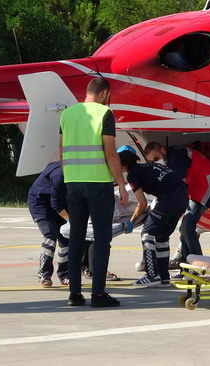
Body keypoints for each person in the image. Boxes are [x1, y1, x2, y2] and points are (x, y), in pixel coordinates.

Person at [59, 76, 128, 308]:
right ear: (105, 94)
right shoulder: (104, 114)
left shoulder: (66, 114)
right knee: (101, 239)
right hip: (98, 184)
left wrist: (68, 179)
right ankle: (98, 294)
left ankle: (74, 294)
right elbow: (110, 152)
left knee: (76, 238)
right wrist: (120, 182)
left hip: (73, 182)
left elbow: (61, 152)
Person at [144, 142, 210, 273]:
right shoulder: (171, 156)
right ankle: (184, 266)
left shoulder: (176, 156)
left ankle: (200, 266)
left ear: (162, 150)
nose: (156, 162)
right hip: (197, 187)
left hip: (206, 183)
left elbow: (180, 184)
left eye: (156, 158)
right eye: (152, 161)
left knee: (187, 227)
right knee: (185, 228)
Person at [118, 145, 189, 286]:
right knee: (162, 237)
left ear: (124, 165)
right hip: (183, 198)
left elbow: (142, 203)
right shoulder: (148, 166)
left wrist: (131, 221)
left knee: (147, 234)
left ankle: (152, 275)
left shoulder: (133, 175)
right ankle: (164, 277)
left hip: (169, 198)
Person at [27, 161, 69, 287]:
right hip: (41, 203)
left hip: (61, 202)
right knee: (51, 234)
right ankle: (44, 274)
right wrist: (70, 219)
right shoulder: (59, 174)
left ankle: (65, 274)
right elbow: (55, 203)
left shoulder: (77, 172)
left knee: (66, 237)